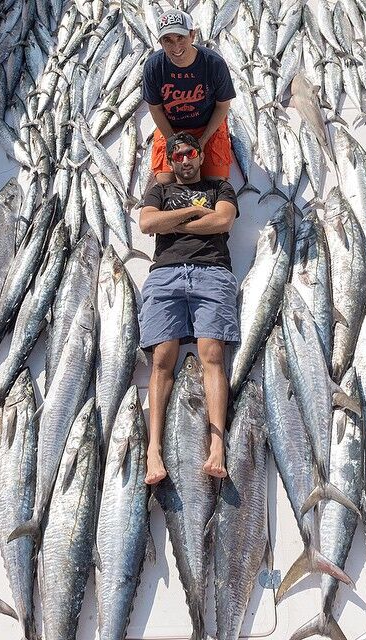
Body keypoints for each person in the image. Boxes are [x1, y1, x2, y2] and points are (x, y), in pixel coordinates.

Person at [138, 132, 240, 485]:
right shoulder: (159, 191)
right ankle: (154, 449)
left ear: (199, 156)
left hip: (212, 272)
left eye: (189, 154)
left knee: (212, 354)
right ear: (170, 160)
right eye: (176, 155)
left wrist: (174, 221)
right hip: (164, 275)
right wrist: (196, 212)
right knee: (162, 359)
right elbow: (147, 223)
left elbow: (223, 221)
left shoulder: (219, 188)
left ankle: (217, 444)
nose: (183, 160)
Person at [142, 9, 236, 185]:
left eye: (180, 38)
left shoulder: (214, 64)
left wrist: (203, 140)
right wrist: (173, 141)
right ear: (160, 42)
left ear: (192, 35)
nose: (175, 47)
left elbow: (222, 106)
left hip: (208, 126)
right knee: (165, 181)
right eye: (167, 40)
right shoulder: (153, 66)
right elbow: (155, 109)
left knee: (215, 181)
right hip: (171, 128)